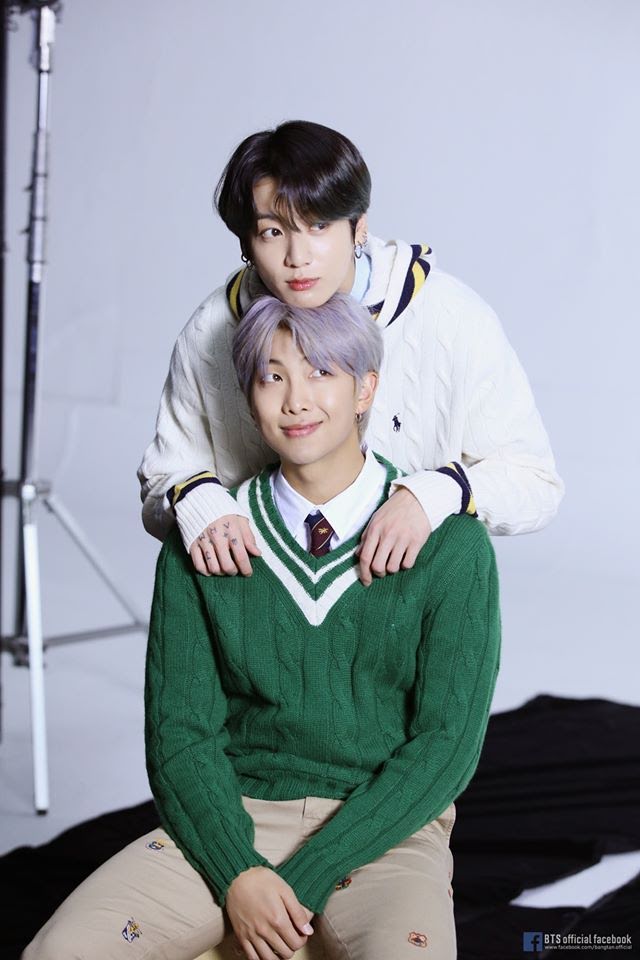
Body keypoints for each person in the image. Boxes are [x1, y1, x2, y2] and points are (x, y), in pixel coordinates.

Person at [24, 294, 501, 960]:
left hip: (388, 827)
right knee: (62, 951)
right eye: (272, 377)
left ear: (366, 389)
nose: (296, 400)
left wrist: (302, 879)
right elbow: (180, 733)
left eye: (321, 372)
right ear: (248, 398)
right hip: (235, 814)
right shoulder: (205, 539)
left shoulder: (452, 545)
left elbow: (445, 745)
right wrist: (239, 875)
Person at [138, 120, 563, 587]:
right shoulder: (210, 331)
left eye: (318, 225)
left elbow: (536, 484)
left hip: (404, 593)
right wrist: (197, 500)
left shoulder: (452, 318)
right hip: (266, 592)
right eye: (272, 232)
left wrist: (433, 493)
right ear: (247, 245)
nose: (298, 257)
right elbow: (163, 479)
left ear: (358, 226)